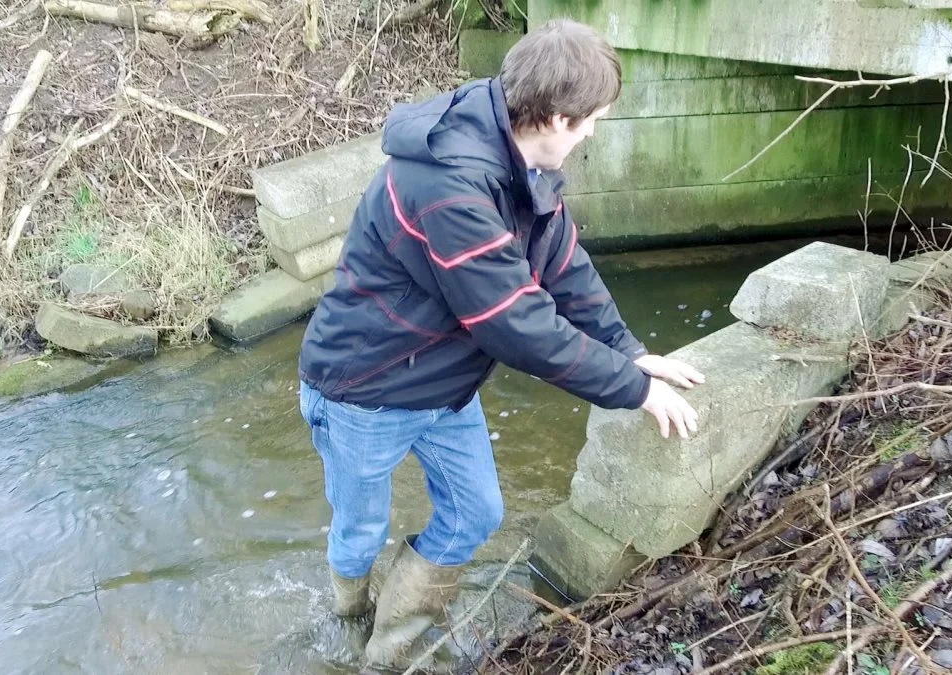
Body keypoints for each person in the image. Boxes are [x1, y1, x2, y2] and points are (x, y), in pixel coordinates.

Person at [296, 18, 705, 671]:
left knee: (477, 511)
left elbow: (563, 264)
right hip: (363, 389)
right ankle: (350, 615)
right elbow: (516, 323)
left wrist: (628, 351)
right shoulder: (451, 186)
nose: (594, 132)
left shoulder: (520, 157)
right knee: (358, 535)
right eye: (590, 119)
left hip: (442, 382)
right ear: (552, 117)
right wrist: (633, 390)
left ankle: (396, 644)